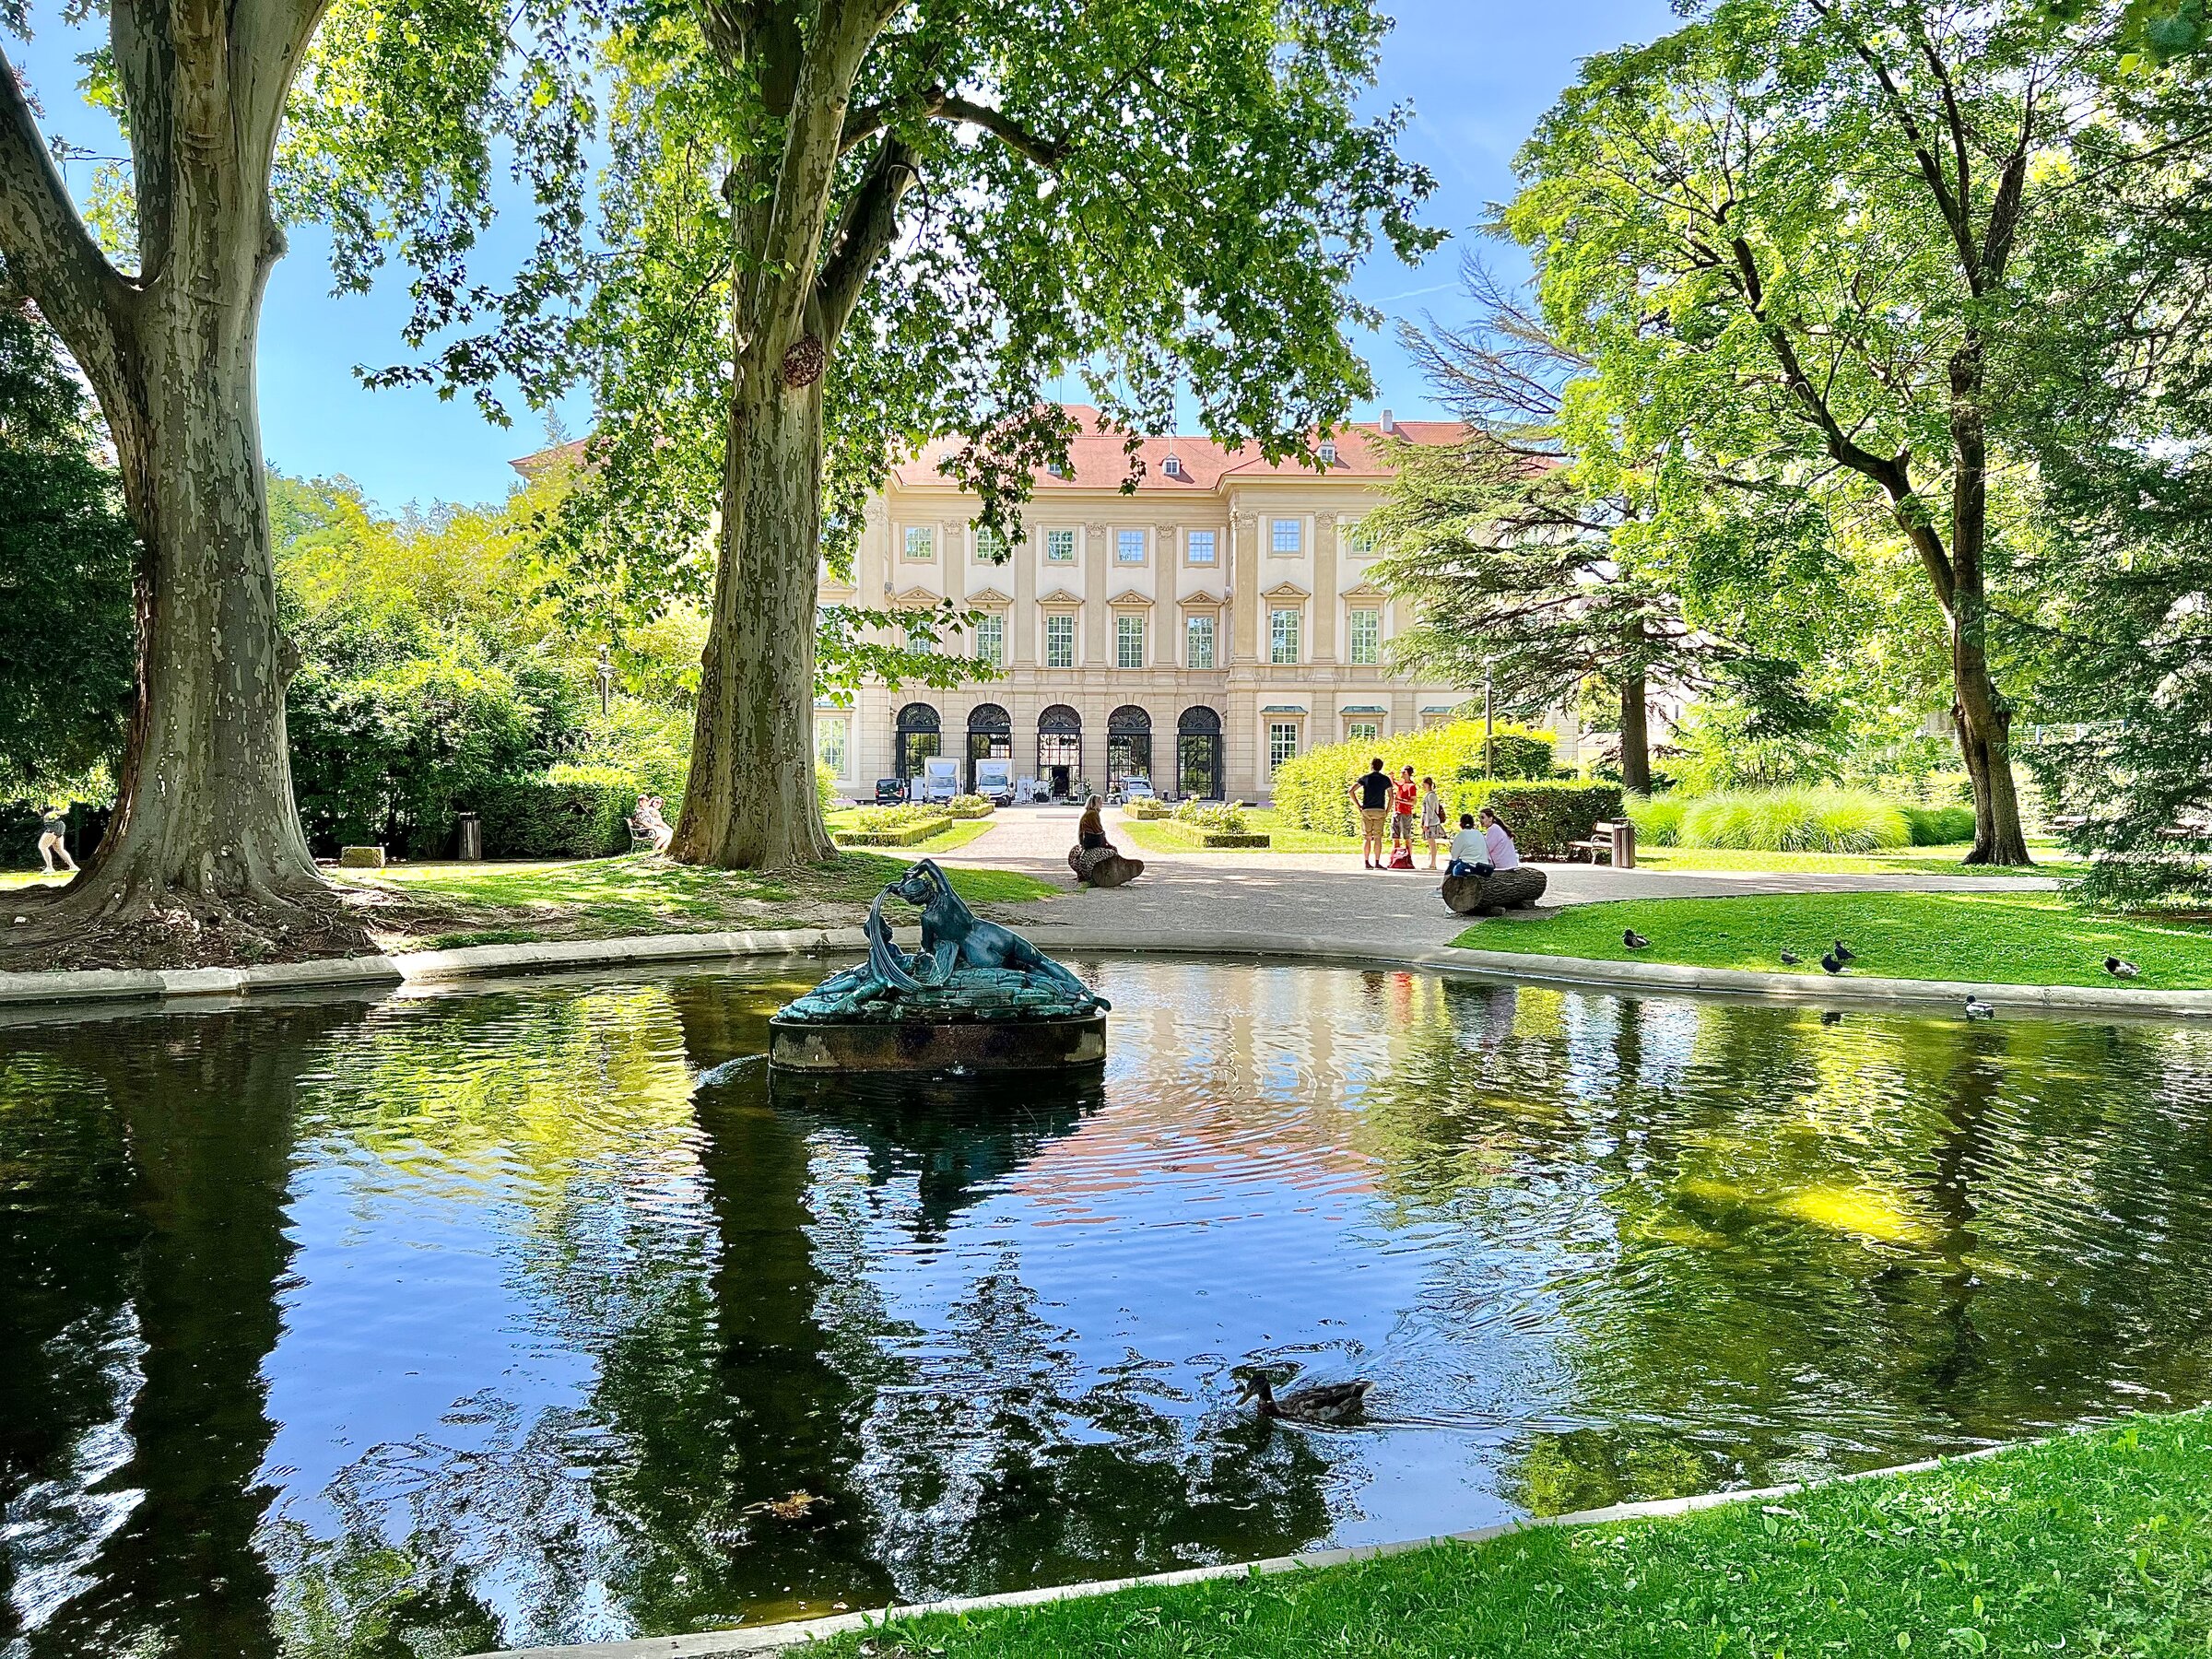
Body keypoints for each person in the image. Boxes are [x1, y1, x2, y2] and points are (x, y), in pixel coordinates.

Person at [1348, 758, 1393, 869]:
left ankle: (1367, 862)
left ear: (1372, 766)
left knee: (1367, 837)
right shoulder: (1385, 779)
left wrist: (1359, 806)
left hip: (1367, 810)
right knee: (1378, 838)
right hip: (1380, 809)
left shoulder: (1366, 778)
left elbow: (1351, 791)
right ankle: (1377, 862)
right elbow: (1391, 797)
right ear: (1381, 767)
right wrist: (1387, 810)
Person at [1389, 765, 1419, 867]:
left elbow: (1414, 802)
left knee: (1407, 837)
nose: (1401, 773)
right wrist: (1391, 777)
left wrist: (1400, 800)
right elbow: (1393, 784)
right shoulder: (1400, 783)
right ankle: (1394, 860)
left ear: (1407, 773)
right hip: (1396, 812)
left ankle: (1409, 860)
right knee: (1395, 837)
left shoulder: (1411, 786)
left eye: (1402, 772)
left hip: (1406, 813)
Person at [37, 803, 76, 876]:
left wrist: (56, 812)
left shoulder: (50, 814)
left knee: (42, 847)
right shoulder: (51, 813)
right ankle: (73, 866)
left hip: (53, 830)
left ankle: (49, 867)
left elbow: (65, 811)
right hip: (59, 830)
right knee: (59, 849)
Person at [1480, 806, 1521, 873]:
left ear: (1490, 819)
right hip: (1510, 865)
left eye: (1483, 817)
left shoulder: (1493, 829)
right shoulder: (1498, 827)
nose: (1481, 820)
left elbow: (1486, 848)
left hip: (1502, 867)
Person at [1446, 812, 1487, 877]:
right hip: (1484, 868)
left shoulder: (1461, 834)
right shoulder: (1479, 833)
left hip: (1468, 867)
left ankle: (1445, 882)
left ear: (1461, 824)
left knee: (1453, 863)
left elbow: (1454, 856)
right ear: (1473, 824)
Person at [1418, 776, 1446, 870]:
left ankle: (1433, 864)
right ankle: (1432, 863)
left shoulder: (1431, 796)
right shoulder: (1430, 795)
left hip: (1431, 822)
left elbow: (1429, 811)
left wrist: (1426, 823)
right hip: (1430, 821)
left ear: (1427, 784)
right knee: (1431, 843)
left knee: (1431, 843)